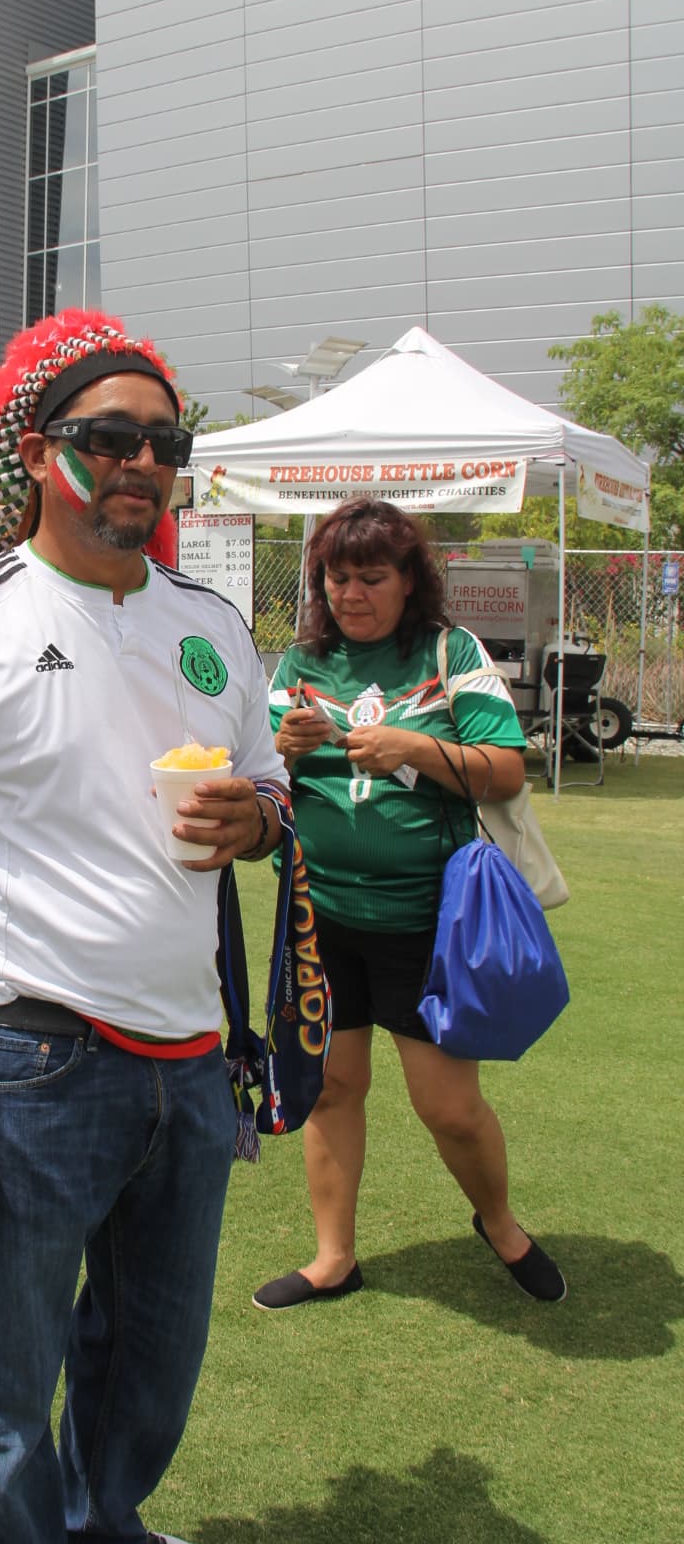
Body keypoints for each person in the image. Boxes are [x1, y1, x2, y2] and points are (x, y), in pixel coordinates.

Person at [0, 314, 286, 1544]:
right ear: (45, 456)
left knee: (150, 1356)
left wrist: (256, 819)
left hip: (191, 1055)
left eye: (163, 443)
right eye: (110, 438)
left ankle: (105, 1537)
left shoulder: (212, 622)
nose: (139, 464)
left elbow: (270, 790)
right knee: (5, 1378)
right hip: (33, 1053)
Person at [252, 497, 566, 1313]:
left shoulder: (446, 649)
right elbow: (262, 785)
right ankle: (332, 1259)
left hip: (428, 922)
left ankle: (498, 1223)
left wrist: (415, 749)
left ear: (407, 580)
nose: (351, 594)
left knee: (449, 1107)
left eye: (371, 577)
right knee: (332, 1087)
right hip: (321, 917)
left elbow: (505, 769)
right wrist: (278, 753)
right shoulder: (297, 663)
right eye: (336, 576)